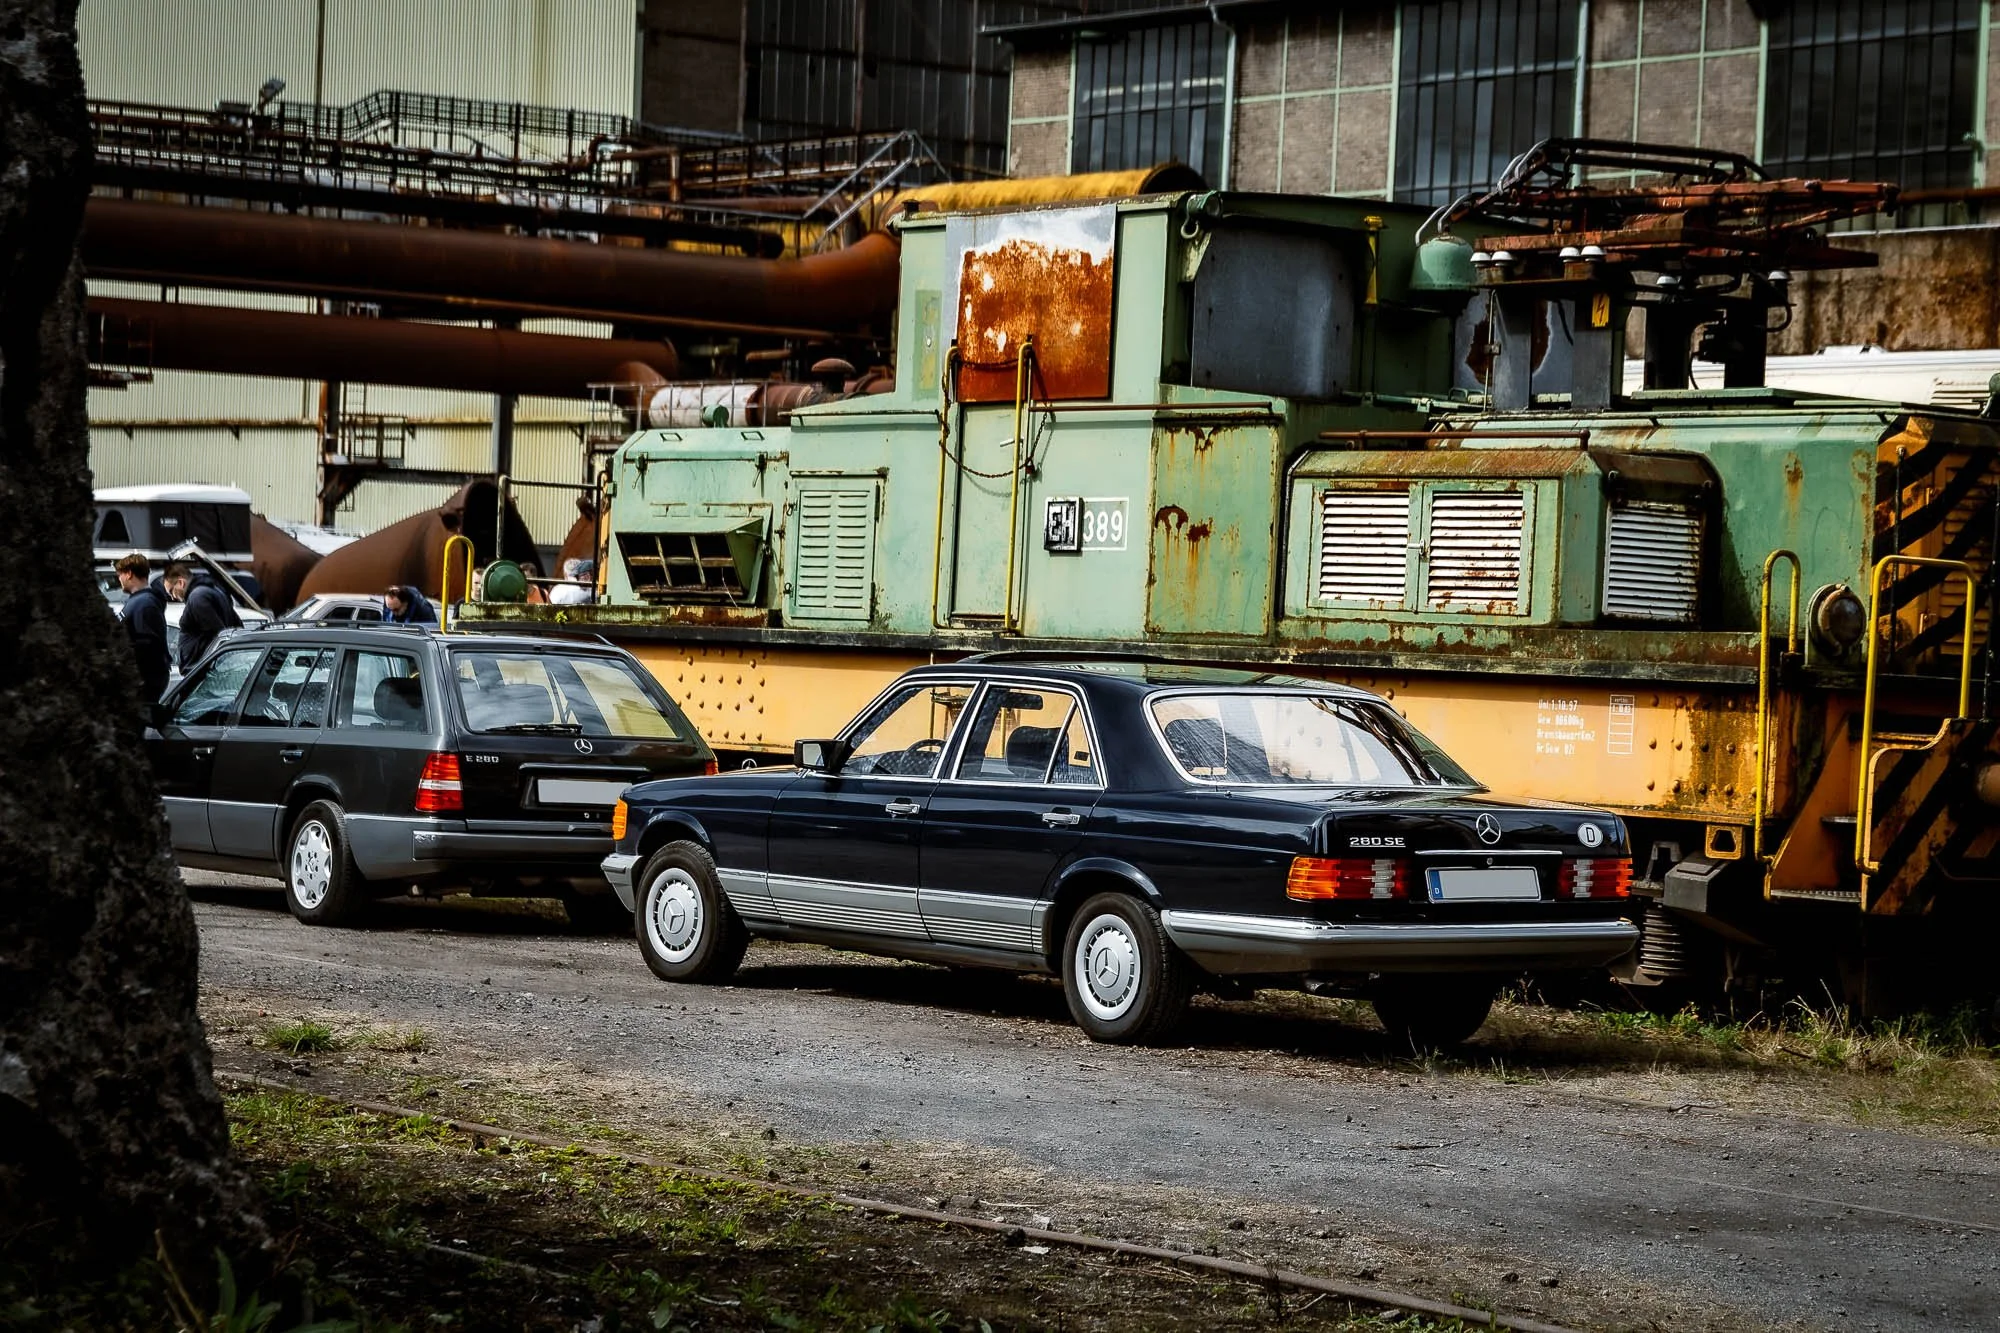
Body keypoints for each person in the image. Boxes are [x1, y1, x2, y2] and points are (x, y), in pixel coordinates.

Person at [163, 560, 241, 673]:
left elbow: (218, 635)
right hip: (210, 668)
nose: (172, 597)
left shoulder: (197, 598)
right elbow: (236, 626)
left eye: (171, 591)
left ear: (181, 582)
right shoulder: (214, 591)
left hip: (204, 671)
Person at [114, 553, 170, 703]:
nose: (119, 579)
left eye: (120, 574)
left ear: (129, 573)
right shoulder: (140, 601)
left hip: (145, 680)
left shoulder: (145, 604)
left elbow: (147, 644)